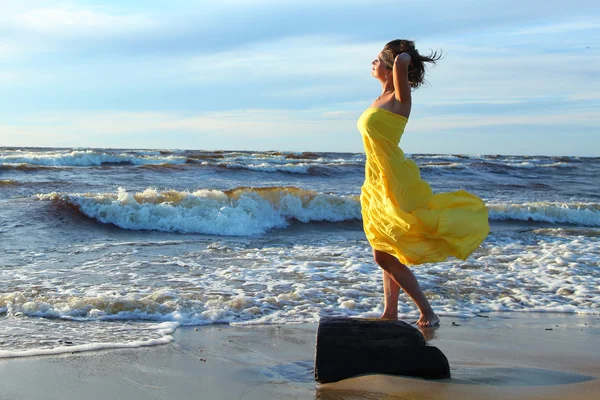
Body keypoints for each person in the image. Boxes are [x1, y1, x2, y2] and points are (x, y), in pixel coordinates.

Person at [357, 39, 490, 327]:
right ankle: (390, 312)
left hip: (393, 179)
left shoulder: (400, 99)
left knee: (382, 256)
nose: (373, 62)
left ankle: (427, 311)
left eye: (379, 59)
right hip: (376, 180)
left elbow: (403, 61)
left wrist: (402, 54)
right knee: (385, 248)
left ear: (392, 66)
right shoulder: (379, 100)